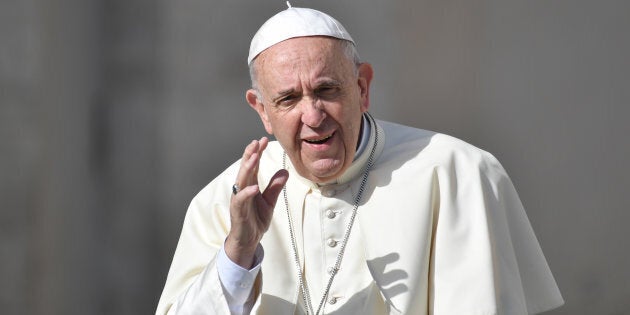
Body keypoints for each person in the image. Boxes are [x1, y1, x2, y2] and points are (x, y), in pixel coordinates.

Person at [156, 5, 563, 315]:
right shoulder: (225, 201)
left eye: (327, 90)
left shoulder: (457, 173)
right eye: (288, 99)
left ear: (362, 87)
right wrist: (238, 251)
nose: (313, 117)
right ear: (261, 110)